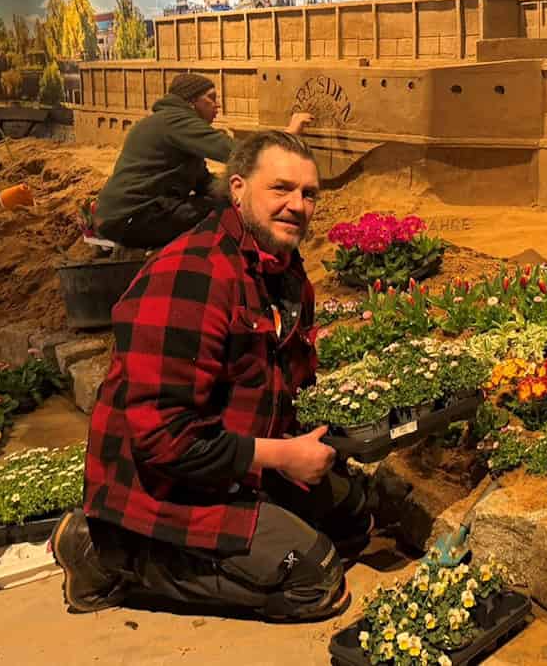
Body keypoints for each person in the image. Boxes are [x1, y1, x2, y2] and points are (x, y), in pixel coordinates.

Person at [52, 130, 371, 622]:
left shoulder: (283, 273)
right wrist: (283, 456)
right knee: (315, 578)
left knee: (353, 519)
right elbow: (164, 440)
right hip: (163, 481)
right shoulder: (192, 272)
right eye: (281, 188)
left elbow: (279, 384)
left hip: (233, 461)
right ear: (238, 188)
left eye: (309, 194)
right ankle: (106, 554)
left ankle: (242, 523)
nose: (298, 205)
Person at [95, 72, 314, 250]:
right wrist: (288, 135)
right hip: (133, 218)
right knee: (224, 213)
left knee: (224, 203)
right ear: (191, 102)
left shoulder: (170, 124)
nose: (217, 105)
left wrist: (238, 191)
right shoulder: (176, 121)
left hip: (124, 217)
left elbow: (203, 182)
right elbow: (232, 150)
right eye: (211, 98)